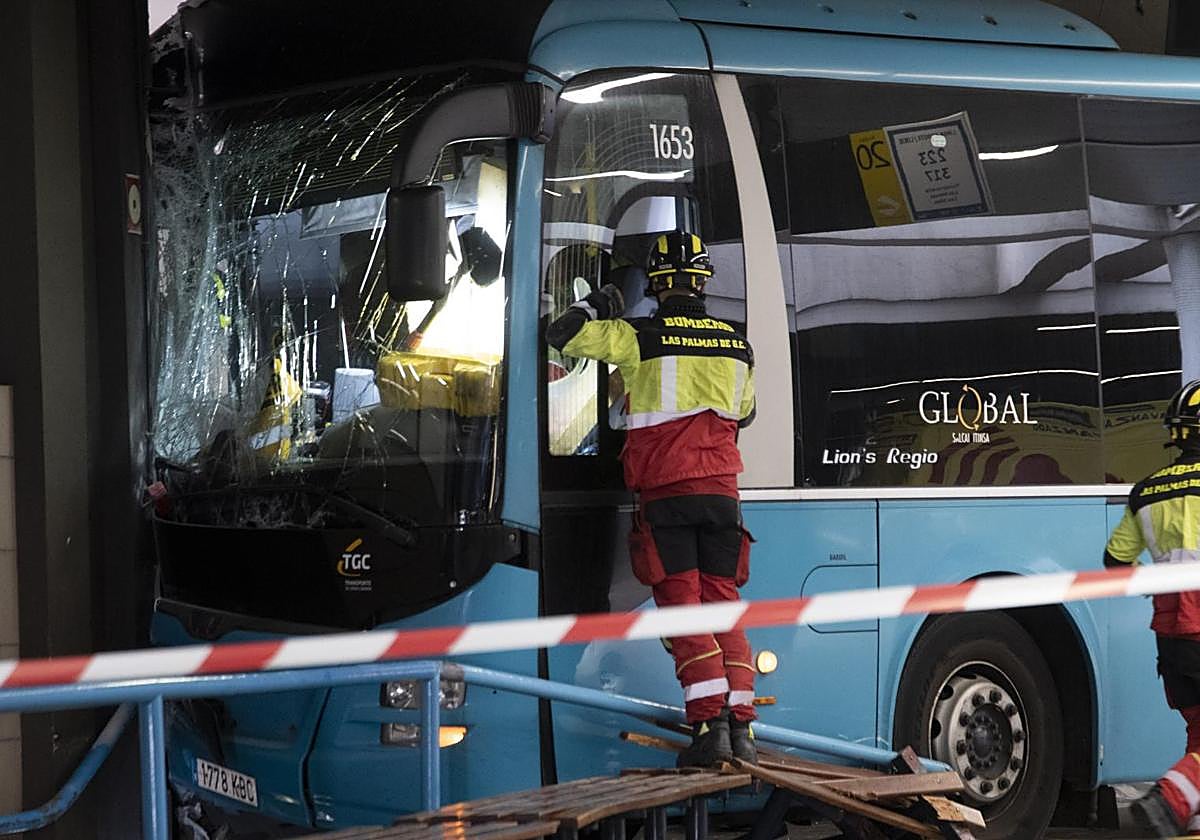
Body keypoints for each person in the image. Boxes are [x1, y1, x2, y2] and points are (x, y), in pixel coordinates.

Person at [546, 231, 758, 768]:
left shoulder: (639, 336)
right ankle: (741, 728)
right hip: (722, 498)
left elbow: (562, 334)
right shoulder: (738, 345)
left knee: (683, 610)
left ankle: (709, 729)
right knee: (722, 606)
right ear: (704, 280)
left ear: (658, 285)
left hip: (668, 497)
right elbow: (746, 413)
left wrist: (599, 301)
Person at [1105, 379, 1200, 836]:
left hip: (1174, 641)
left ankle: (1188, 814)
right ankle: (1171, 799)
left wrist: (1158, 581)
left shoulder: (1148, 491)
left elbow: (1115, 561)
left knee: (1199, 731)